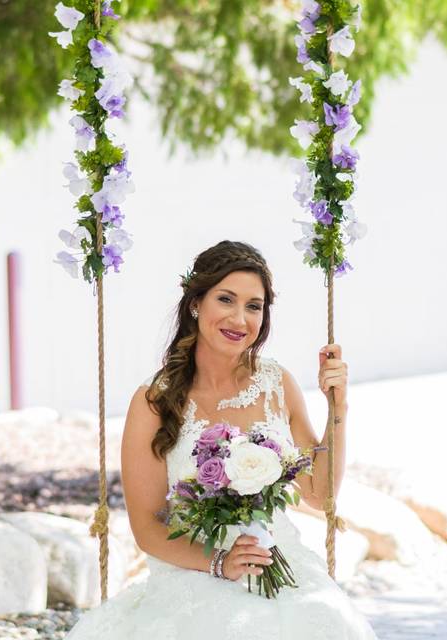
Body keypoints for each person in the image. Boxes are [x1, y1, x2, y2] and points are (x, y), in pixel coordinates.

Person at [66, 241, 377, 639]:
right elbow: (146, 527)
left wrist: (338, 409)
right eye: (226, 299)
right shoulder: (154, 402)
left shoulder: (275, 383)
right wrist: (220, 562)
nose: (240, 318)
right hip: (195, 574)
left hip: (280, 562)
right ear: (196, 303)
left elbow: (320, 494)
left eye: (254, 306)